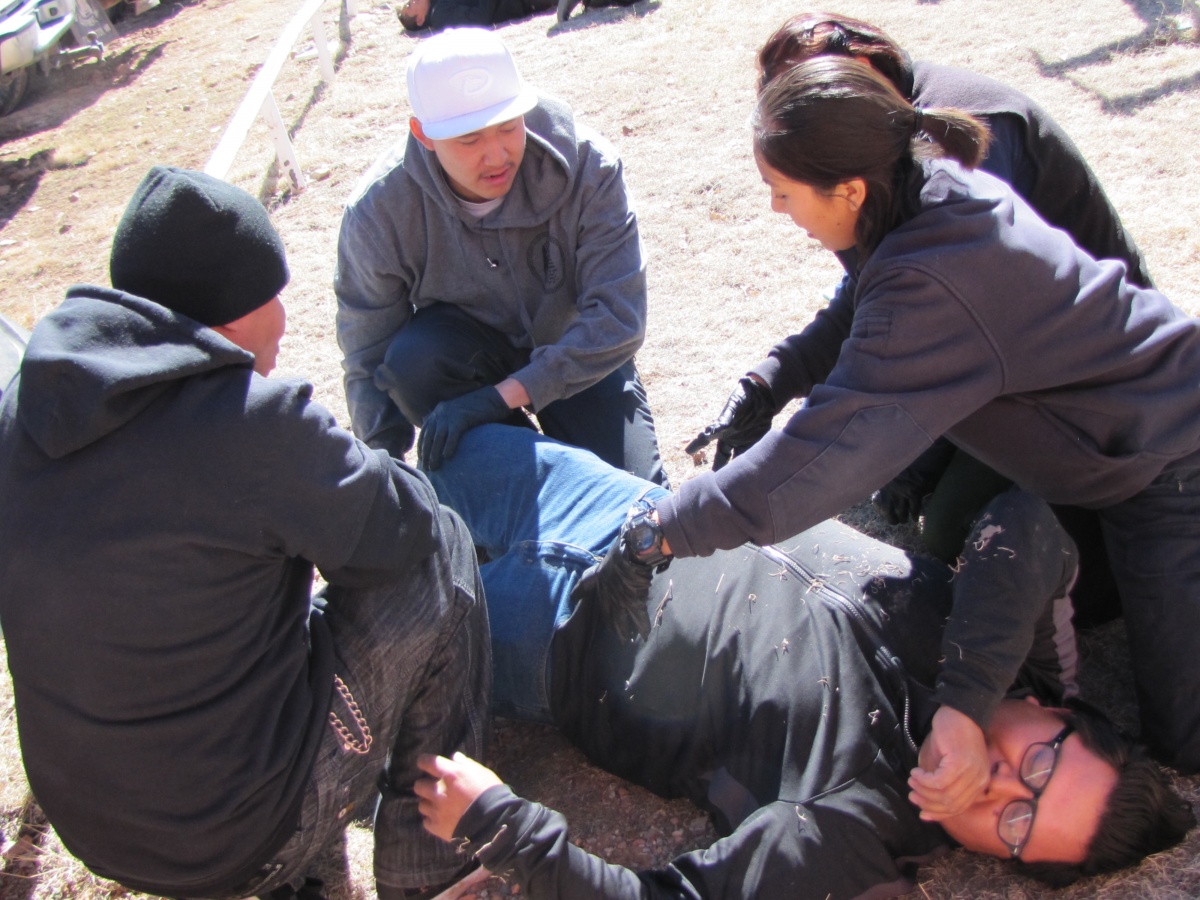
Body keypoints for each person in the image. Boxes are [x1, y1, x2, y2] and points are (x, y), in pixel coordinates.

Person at [643, 54, 1200, 775]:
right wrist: (769, 379)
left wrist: (670, 527)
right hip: (1105, 456)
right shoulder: (920, 191)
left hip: (1170, 461)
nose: (776, 210)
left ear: (847, 190)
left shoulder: (938, 277)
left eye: (781, 192)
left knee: (1184, 743)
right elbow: (861, 308)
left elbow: (821, 459)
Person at [410, 424, 1192, 899]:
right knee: (437, 458)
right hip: (625, 514)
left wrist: (503, 827)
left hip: (554, 639)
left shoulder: (853, 832)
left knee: (378, 568)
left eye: (1020, 825)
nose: (999, 787)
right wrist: (962, 702)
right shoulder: (1016, 650)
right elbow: (1025, 521)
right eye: (1043, 767)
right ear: (1062, 713)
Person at [0, 167, 491, 900]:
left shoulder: (24, 409)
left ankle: (303, 862)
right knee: (440, 547)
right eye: (274, 296)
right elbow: (401, 526)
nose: (283, 321)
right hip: (235, 841)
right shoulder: (247, 421)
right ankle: (434, 871)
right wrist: (329, 458)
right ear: (227, 315)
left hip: (102, 830)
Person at [689, 13, 1148, 617]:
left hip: (1085, 381)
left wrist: (916, 455)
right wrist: (769, 380)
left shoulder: (966, 143)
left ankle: (1104, 569)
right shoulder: (862, 151)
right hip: (1006, 359)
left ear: (867, 71)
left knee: (955, 536)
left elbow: (945, 331)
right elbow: (871, 295)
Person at [336, 28, 664, 484]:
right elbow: (367, 354)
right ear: (424, 134)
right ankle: (506, 486)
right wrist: (384, 475)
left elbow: (619, 317)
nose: (496, 155)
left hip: (579, 358)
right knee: (412, 360)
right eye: (468, 140)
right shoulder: (379, 212)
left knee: (634, 512)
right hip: (461, 367)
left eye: (509, 126)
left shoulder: (591, 166)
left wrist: (503, 395)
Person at [396, 0, 554, 33]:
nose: (413, 0)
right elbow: (480, 18)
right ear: (420, 19)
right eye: (410, 5)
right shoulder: (441, 16)